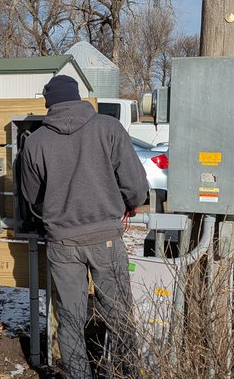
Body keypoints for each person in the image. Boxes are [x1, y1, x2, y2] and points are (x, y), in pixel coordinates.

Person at [19, 75, 148, 379]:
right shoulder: (108, 128)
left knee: (70, 320)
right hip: (106, 239)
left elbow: (33, 199)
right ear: (78, 98)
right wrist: (130, 203)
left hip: (62, 245)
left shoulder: (36, 141)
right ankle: (122, 373)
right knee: (118, 316)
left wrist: (57, 213)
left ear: (49, 104)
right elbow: (135, 185)